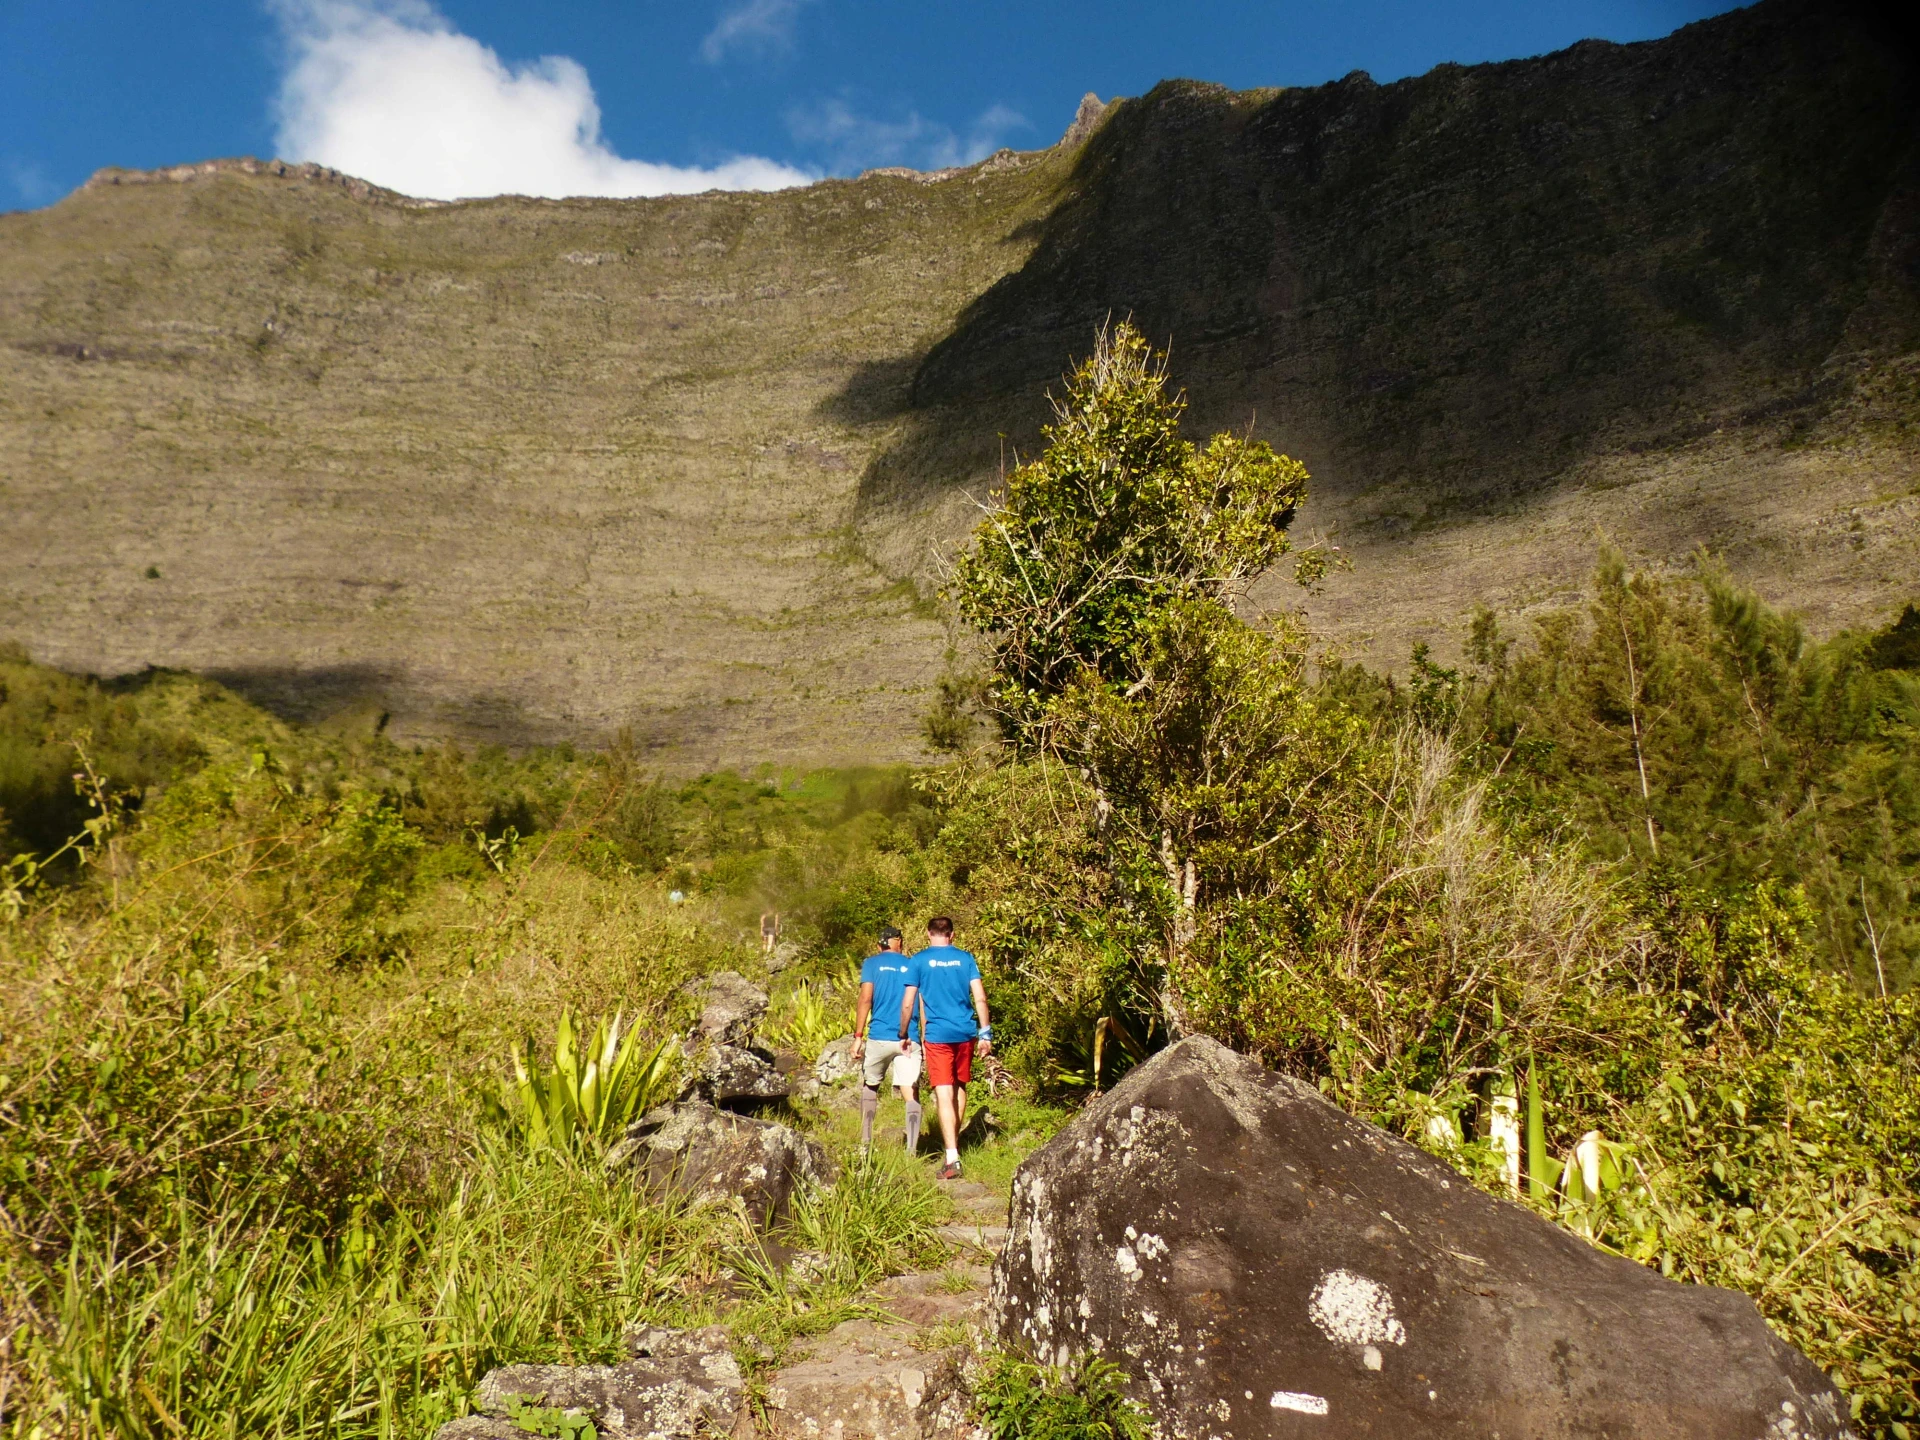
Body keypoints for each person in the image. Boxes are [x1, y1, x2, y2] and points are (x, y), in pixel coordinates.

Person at [898, 916, 990, 1181]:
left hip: (938, 1035)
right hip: (966, 1032)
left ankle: (952, 1157)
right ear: (952, 934)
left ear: (928, 933)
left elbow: (908, 1003)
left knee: (943, 1091)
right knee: (960, 1085)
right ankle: (954, 1144)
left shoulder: (918, 960)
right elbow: (980, 997)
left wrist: (903, 1033)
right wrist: (986, 1033)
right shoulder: (966, 959)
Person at [849, 926, 924, 1153]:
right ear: (898, 942)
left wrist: (858, 1036)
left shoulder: (871, 964)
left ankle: (865, 1142)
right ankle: (912, 1151)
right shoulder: (913, 964)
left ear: (879, 944)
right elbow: (921, 1002)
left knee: (870, 1086)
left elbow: (865, 999)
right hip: (908, 1038)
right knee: (910, 1091)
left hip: (879, 1036)